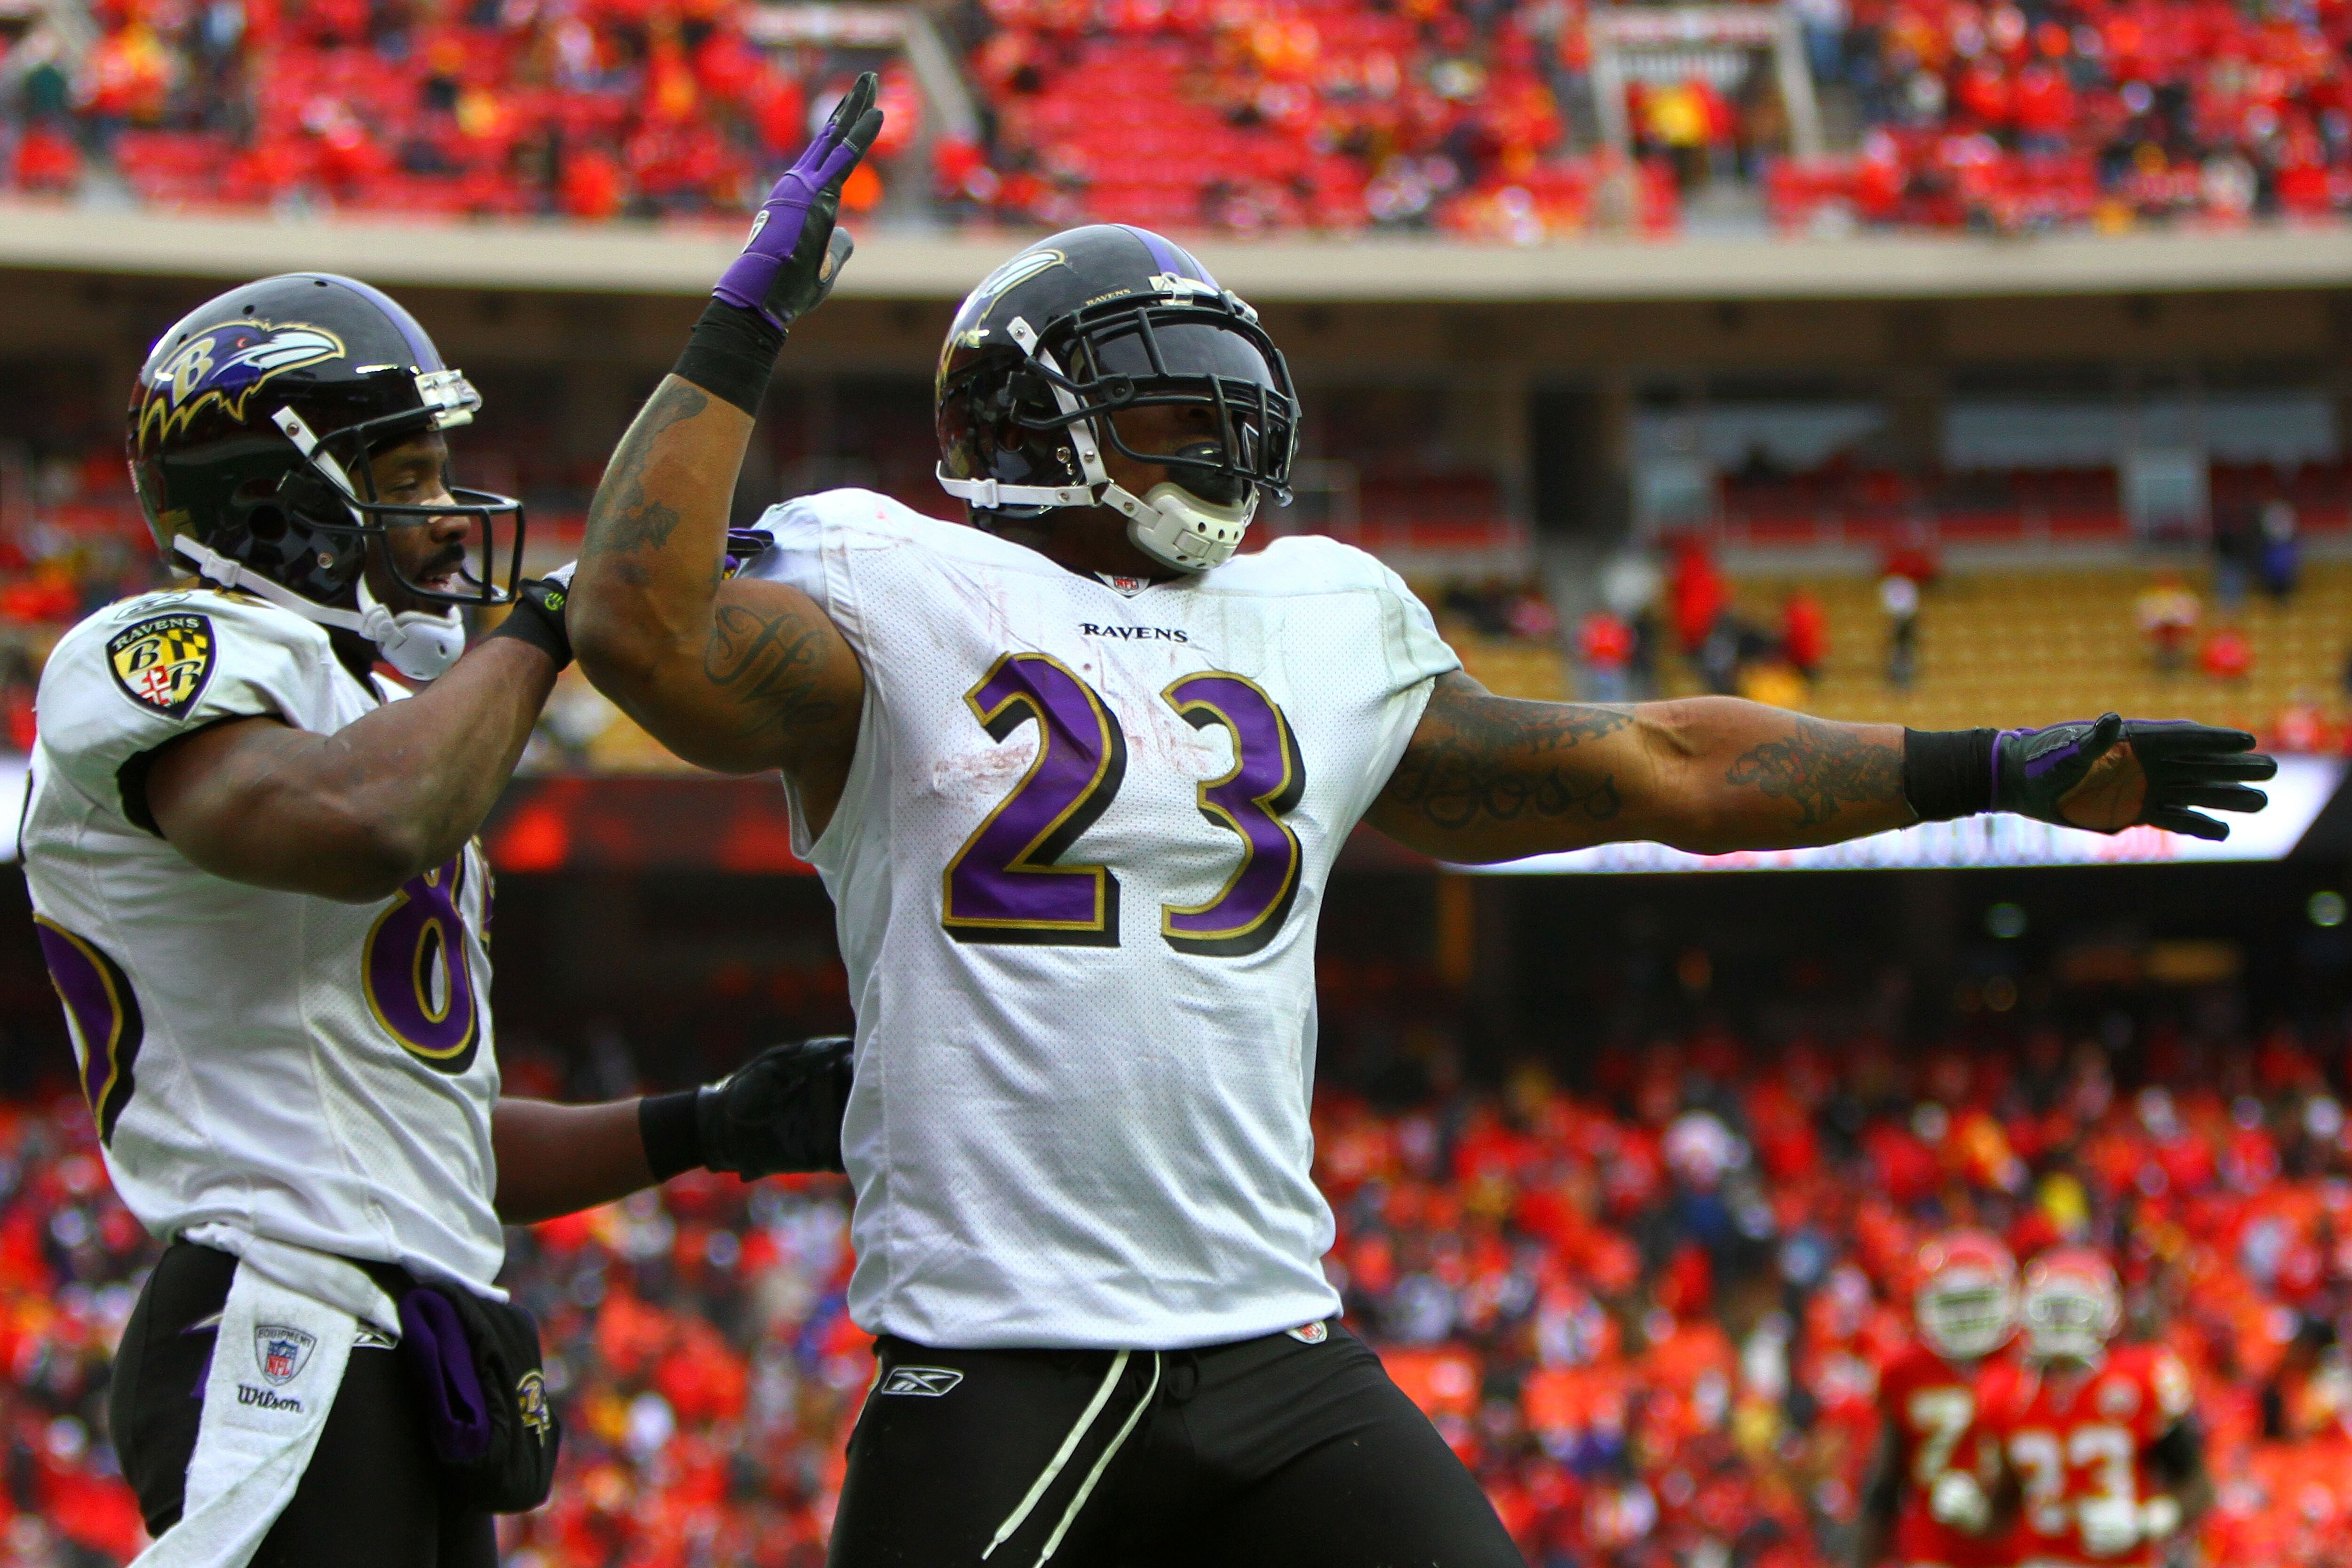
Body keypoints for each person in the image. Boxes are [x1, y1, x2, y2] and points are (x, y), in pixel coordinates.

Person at [565, 72, 2274, 1568]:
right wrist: (750, 311)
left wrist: (1985, 765)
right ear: (1024, 422)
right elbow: (638, 625)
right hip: (1000, 1348)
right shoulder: (889, 574)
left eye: (1227, 405)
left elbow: (1650, 766)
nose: (1219, 444)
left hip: (1271, 1343)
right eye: (1166, 408)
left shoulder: (1312, 613)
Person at [18, 271, 850, 1568]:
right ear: (272, 498)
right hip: (276, 1309)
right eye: (403, 475)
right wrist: (540, 629)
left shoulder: (378, 709)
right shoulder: (157, 646)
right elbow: (365, 828)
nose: (447, 515)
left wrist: (708, 1121)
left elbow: (431, 1143)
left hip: (410, 1327)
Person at [1966, 1249, 2211, 1568]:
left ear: (2105, 1314)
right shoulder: (2006, 1392)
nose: (2062, 1322)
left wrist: (2145, 1522)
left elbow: (2199, 1485)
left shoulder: (2139, 1381)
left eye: (2074, 1310)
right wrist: (1973, 1509)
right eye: (2052, 1310)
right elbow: (2004, 1505)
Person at [1850, 1230, 2018, 1568]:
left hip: (2017, 1542)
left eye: (1978, 1301)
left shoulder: (2029, 1363)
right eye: (1953, 1303)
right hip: (1934, 1546)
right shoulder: (1905, 1372)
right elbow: (1883, 1484)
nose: (1966, 1316)